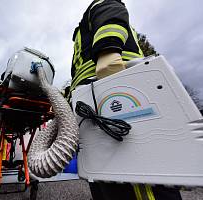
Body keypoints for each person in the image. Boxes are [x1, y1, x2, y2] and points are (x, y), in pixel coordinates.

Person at [68, 0, 182, 200]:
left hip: (119, 89)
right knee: (102, 174)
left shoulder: (98, 6)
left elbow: (111, 10)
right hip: (92, 99)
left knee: (137, 177)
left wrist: (107, 50)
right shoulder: (80, 33)